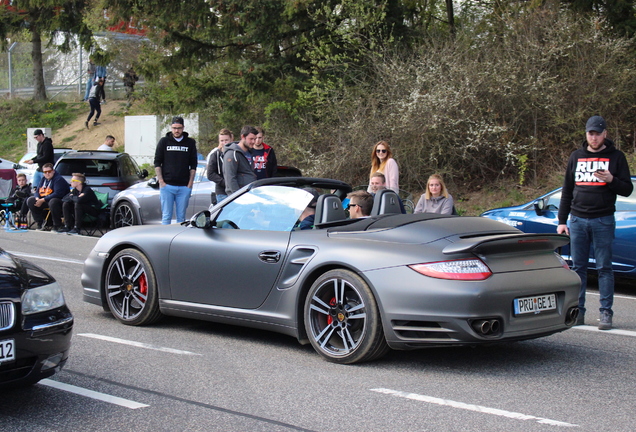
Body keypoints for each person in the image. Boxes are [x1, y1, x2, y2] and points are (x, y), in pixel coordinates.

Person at [557, 115, 633, 330]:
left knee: (604, 268)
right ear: (586, 134)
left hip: (603, 220)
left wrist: (611, 180)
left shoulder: (616, 157)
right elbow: (567, 191)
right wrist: (562, 221)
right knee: (578, 267)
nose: (594, 137)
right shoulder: (576, 156)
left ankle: (606, 313)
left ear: (605, 134)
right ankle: (578, 312)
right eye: (591, 133)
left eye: (598, 134)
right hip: (578, 220)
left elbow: (627, 189)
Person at [154, 116, 198, 224]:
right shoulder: (164, 142)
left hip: (184, 187)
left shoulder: (190, 143)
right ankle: (164, 239)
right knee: (166, 216)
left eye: (179, 128)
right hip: (167, 186)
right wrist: (161, 181)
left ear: (183, 128)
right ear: (171, 128)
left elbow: (193, 164)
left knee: (181, 218)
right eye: (174, 128)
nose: (176, 130)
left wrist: (190, 184)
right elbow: (157, 162)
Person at [26, 163, 69, 232]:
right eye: (45, 172)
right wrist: (37, 199)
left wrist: (43, 200)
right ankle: (41, 222)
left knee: (53, 201)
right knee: (31, 200)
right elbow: (37, 191)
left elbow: (57, 194)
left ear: (53, 171)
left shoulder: (58, 179)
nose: (47, 174)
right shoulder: (43, 179)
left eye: (49, 171)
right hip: (45, 199)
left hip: (59, 201)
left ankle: (57, 225)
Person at [223, 125, 258, 195]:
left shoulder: (250, 153)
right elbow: (230, 178)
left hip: (249, 193)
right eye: (251, 139)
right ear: (243, 137)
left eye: (255, 139)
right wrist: (238, 196)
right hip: (238, 197)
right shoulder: (232, 154)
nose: (253, 141)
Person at [206, 128, 233, 204]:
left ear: (231, 139)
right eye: (222, 141)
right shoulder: (215, 155)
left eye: (226, 140)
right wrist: (225, 182)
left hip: (235, 190)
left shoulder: (236, 153)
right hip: (222, 192)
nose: (224, 143)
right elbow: (210, 174)